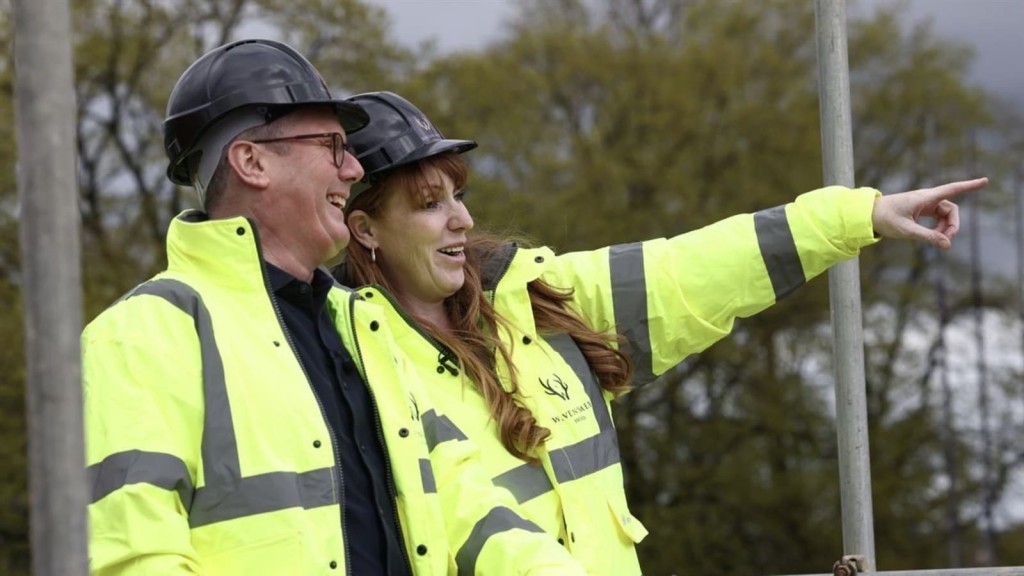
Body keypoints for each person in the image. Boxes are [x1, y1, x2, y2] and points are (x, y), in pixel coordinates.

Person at [332, 90, 989, 576]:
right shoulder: (350, 363)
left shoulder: (534, 297)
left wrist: (863, 215)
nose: (461, 220)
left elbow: (691, 270)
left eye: (457, 195)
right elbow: (464, 516)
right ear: (364, 230)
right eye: (428, 204)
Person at [82, 40, 588, 576]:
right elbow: (131, 559)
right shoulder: (144, 335)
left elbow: (469, 509)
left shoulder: (364, 326)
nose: (352, 170)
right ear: (252, 161)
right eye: (332, 146)